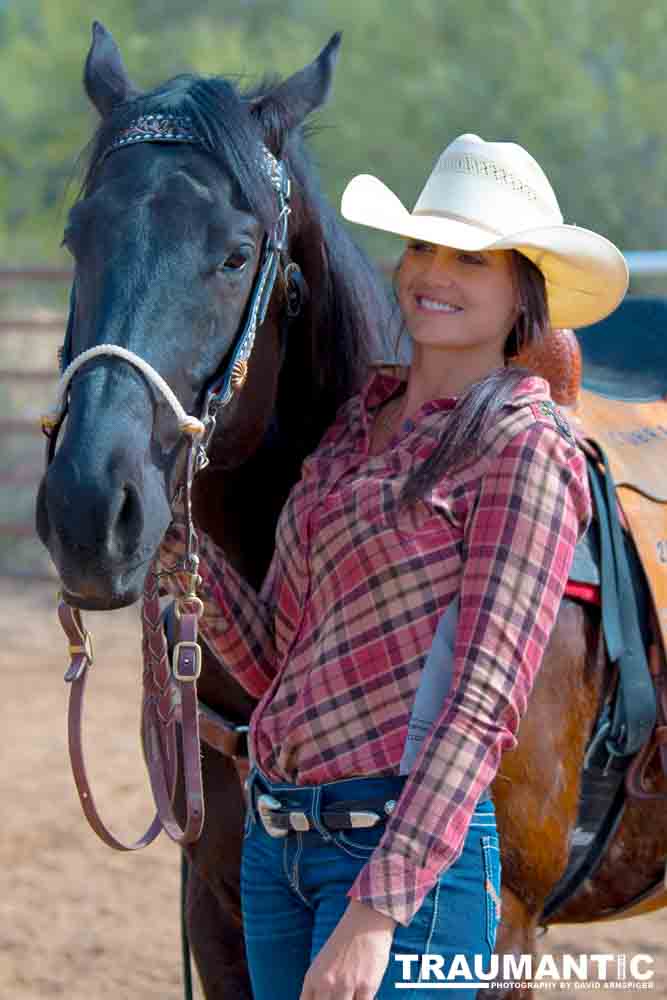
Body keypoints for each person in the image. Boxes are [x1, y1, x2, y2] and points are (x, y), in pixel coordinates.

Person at [161, 133, 628, 999]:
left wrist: (376, 914)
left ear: (522, 288)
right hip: (277, 847)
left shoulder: (523, 448)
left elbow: (483, 705)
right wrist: (176, 545)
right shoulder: (351, 430)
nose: (431, 274)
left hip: (403, 865)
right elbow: (277, 661)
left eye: (470, 259)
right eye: (421, 247)